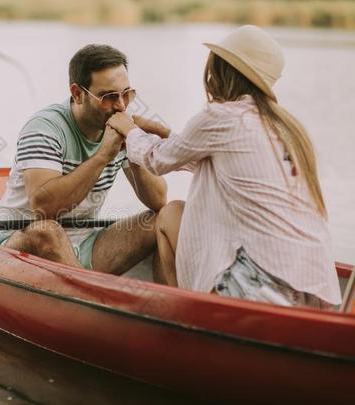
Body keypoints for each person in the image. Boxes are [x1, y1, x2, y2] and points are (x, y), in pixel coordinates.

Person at [107, 25, 341, 308]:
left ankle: (182, 318)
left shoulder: (222, 116)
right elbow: (205, 157)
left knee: (170, 214)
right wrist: (160, 132)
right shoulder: (283, 126)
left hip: (259, 287)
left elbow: (157, 160)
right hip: (313, 290)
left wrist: (129, 129)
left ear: (217, 69)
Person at [0, 44, 168, 275]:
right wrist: (103, 155)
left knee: (164, 218)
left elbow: (158, 200)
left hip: (85, 244)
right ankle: (94, 301)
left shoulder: (118, 124)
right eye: (108, 97)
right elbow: (45, 208)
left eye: (127, 94)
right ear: (77, 93)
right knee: (46, 230)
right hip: (14, 244)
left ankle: (169, 305)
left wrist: (135, 145)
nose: (121, 106)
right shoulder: (44, 128)